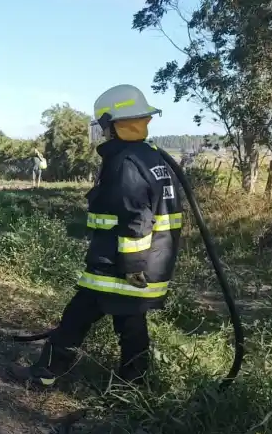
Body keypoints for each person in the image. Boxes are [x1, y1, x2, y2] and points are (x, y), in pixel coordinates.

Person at [10, 84, 184, 387]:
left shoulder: (126, 163)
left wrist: (131, 266)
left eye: (104, 126)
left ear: (113, 124)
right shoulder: (153, 157)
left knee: (77, 316)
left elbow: (136, 218)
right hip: (152, 262)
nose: (102, 133)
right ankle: (134, 386)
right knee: (131, 323)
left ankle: (45, 375)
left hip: (121, 267)